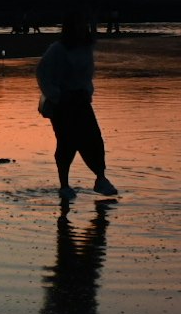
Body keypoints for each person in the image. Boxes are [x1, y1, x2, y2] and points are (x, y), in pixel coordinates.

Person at [36, 11, 119, 200]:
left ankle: (100, 179)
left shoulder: (86, 47)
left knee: (94, 139)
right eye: (79, 25)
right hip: (63, 104)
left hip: (81, 101)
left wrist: (87, 91)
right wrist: (56, 95)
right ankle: (64, 185)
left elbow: (86, 75)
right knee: (67, 143)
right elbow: (42, 73)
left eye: (84, 25)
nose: (83, 29)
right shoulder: (58, 49)